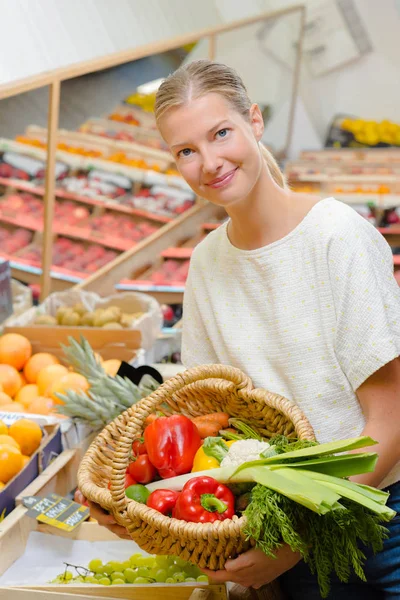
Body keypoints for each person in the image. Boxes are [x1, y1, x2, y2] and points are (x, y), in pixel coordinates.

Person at [89, 59, 400, 598]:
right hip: (274, 530)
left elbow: (390, 421)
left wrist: (298, 541)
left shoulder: (338, 239)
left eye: (221, 133)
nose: (209, 162)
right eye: (186, 151)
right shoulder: (207, 263)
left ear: (254, 121)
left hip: (375, 525)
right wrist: (133, 499)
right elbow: (213, 422)